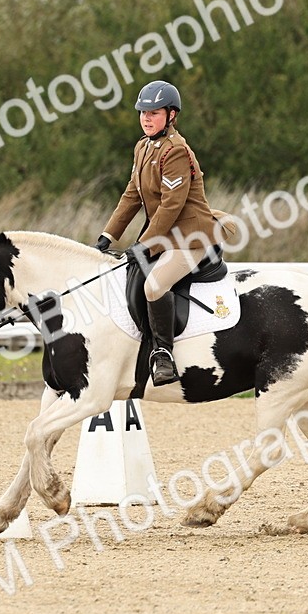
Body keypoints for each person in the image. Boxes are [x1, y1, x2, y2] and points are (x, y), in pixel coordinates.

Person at [93, 80, 222, 386]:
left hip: (190, 239)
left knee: (154, 286)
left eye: (154, 112)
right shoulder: (143, 147)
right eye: (143, 112)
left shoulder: (176, 151)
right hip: (164, 237)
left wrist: (144, 245)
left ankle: (162, 354)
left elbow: (171, 205)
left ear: (171, 115)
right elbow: (131, 195)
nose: (147, 118)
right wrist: (108, 236)